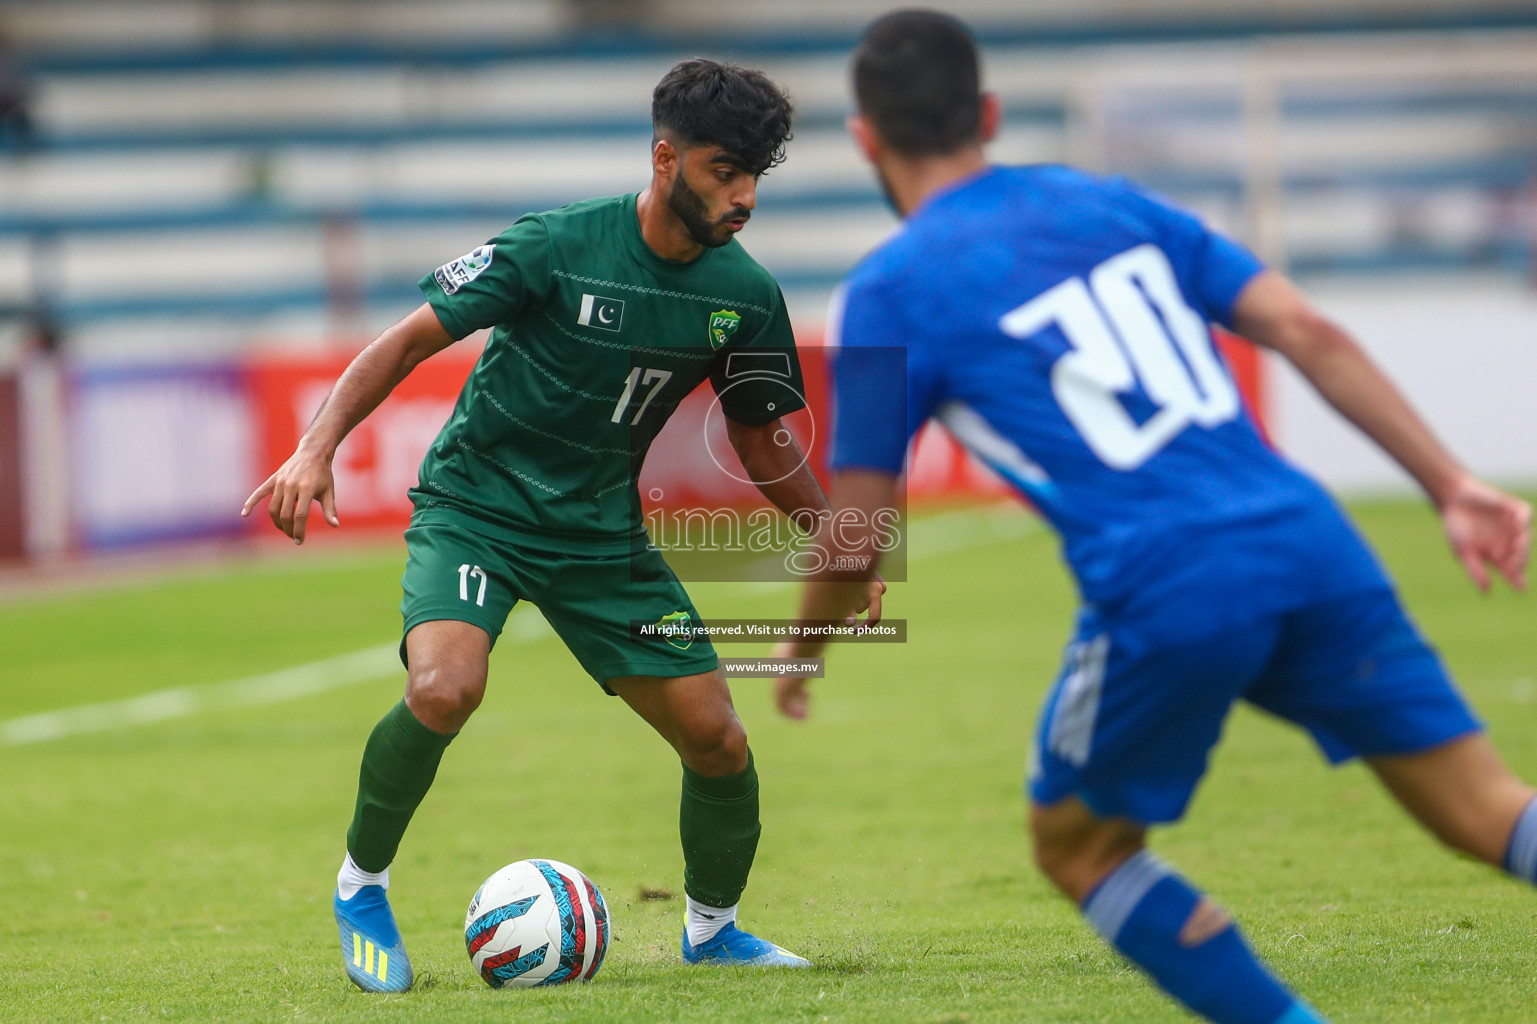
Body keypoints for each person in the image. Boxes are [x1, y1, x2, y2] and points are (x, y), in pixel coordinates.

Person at [776, 11, 1534, 1024]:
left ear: (864, 137)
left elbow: (861, 517)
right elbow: (1302, 327)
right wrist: (1450, 483)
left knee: (1078, 845)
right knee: (1486, 808)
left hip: (1167, 576)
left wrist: (802, 646)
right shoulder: (1107, 202)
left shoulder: (889, 288)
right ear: (989, 114)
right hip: (1307, 538)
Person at [244, 58, 878, 992]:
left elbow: (756, 430)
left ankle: (713, 929)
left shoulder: (744, 294)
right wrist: (315, 447)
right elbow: (410, 338)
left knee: (719, 740)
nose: (742, 196)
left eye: (753, 176)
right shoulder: (556, 244)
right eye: (722, 171)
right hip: (478, 509)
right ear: (665, 159)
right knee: (443, 691)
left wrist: (834, 536)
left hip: (598, 537)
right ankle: (361, 884)